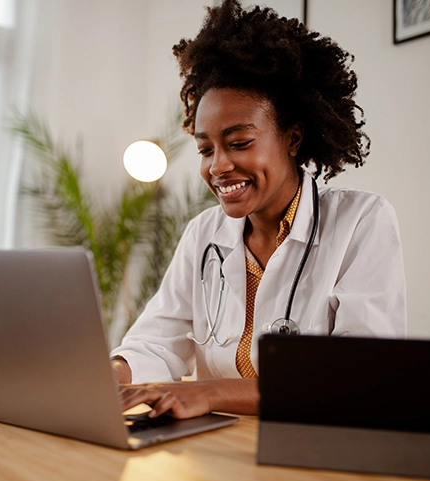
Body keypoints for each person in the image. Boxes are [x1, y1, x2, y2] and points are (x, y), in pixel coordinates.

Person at [110, 1, 407, 419]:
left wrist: (210, 394)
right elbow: (156, 342)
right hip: (219, 447)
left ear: (293, 137)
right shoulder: (203, 233)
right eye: (205, 149)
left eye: (239, 143)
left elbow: (357, 378)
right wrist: (110, 374)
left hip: (310, 450)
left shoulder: (361, 221)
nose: (217, 167)